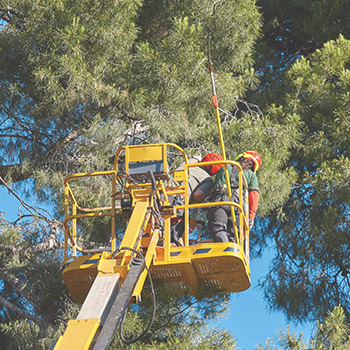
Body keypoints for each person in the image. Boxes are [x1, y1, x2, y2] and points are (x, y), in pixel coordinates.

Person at [207, 151, 262, 243]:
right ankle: (231, 251)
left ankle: (225, 251)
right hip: (238, 207)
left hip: (219, 202)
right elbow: (254, 195)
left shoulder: (225, 165)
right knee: (234, 235)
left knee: (219, 228)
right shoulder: (251, 175)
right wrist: (251, 217)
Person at [171, 153, 224, 245]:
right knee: (174, 229)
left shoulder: (186, 165)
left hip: (161, 195)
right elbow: (197, 196)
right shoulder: (207, 179)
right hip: (178, 201)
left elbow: (190, 160)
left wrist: (195, 159)